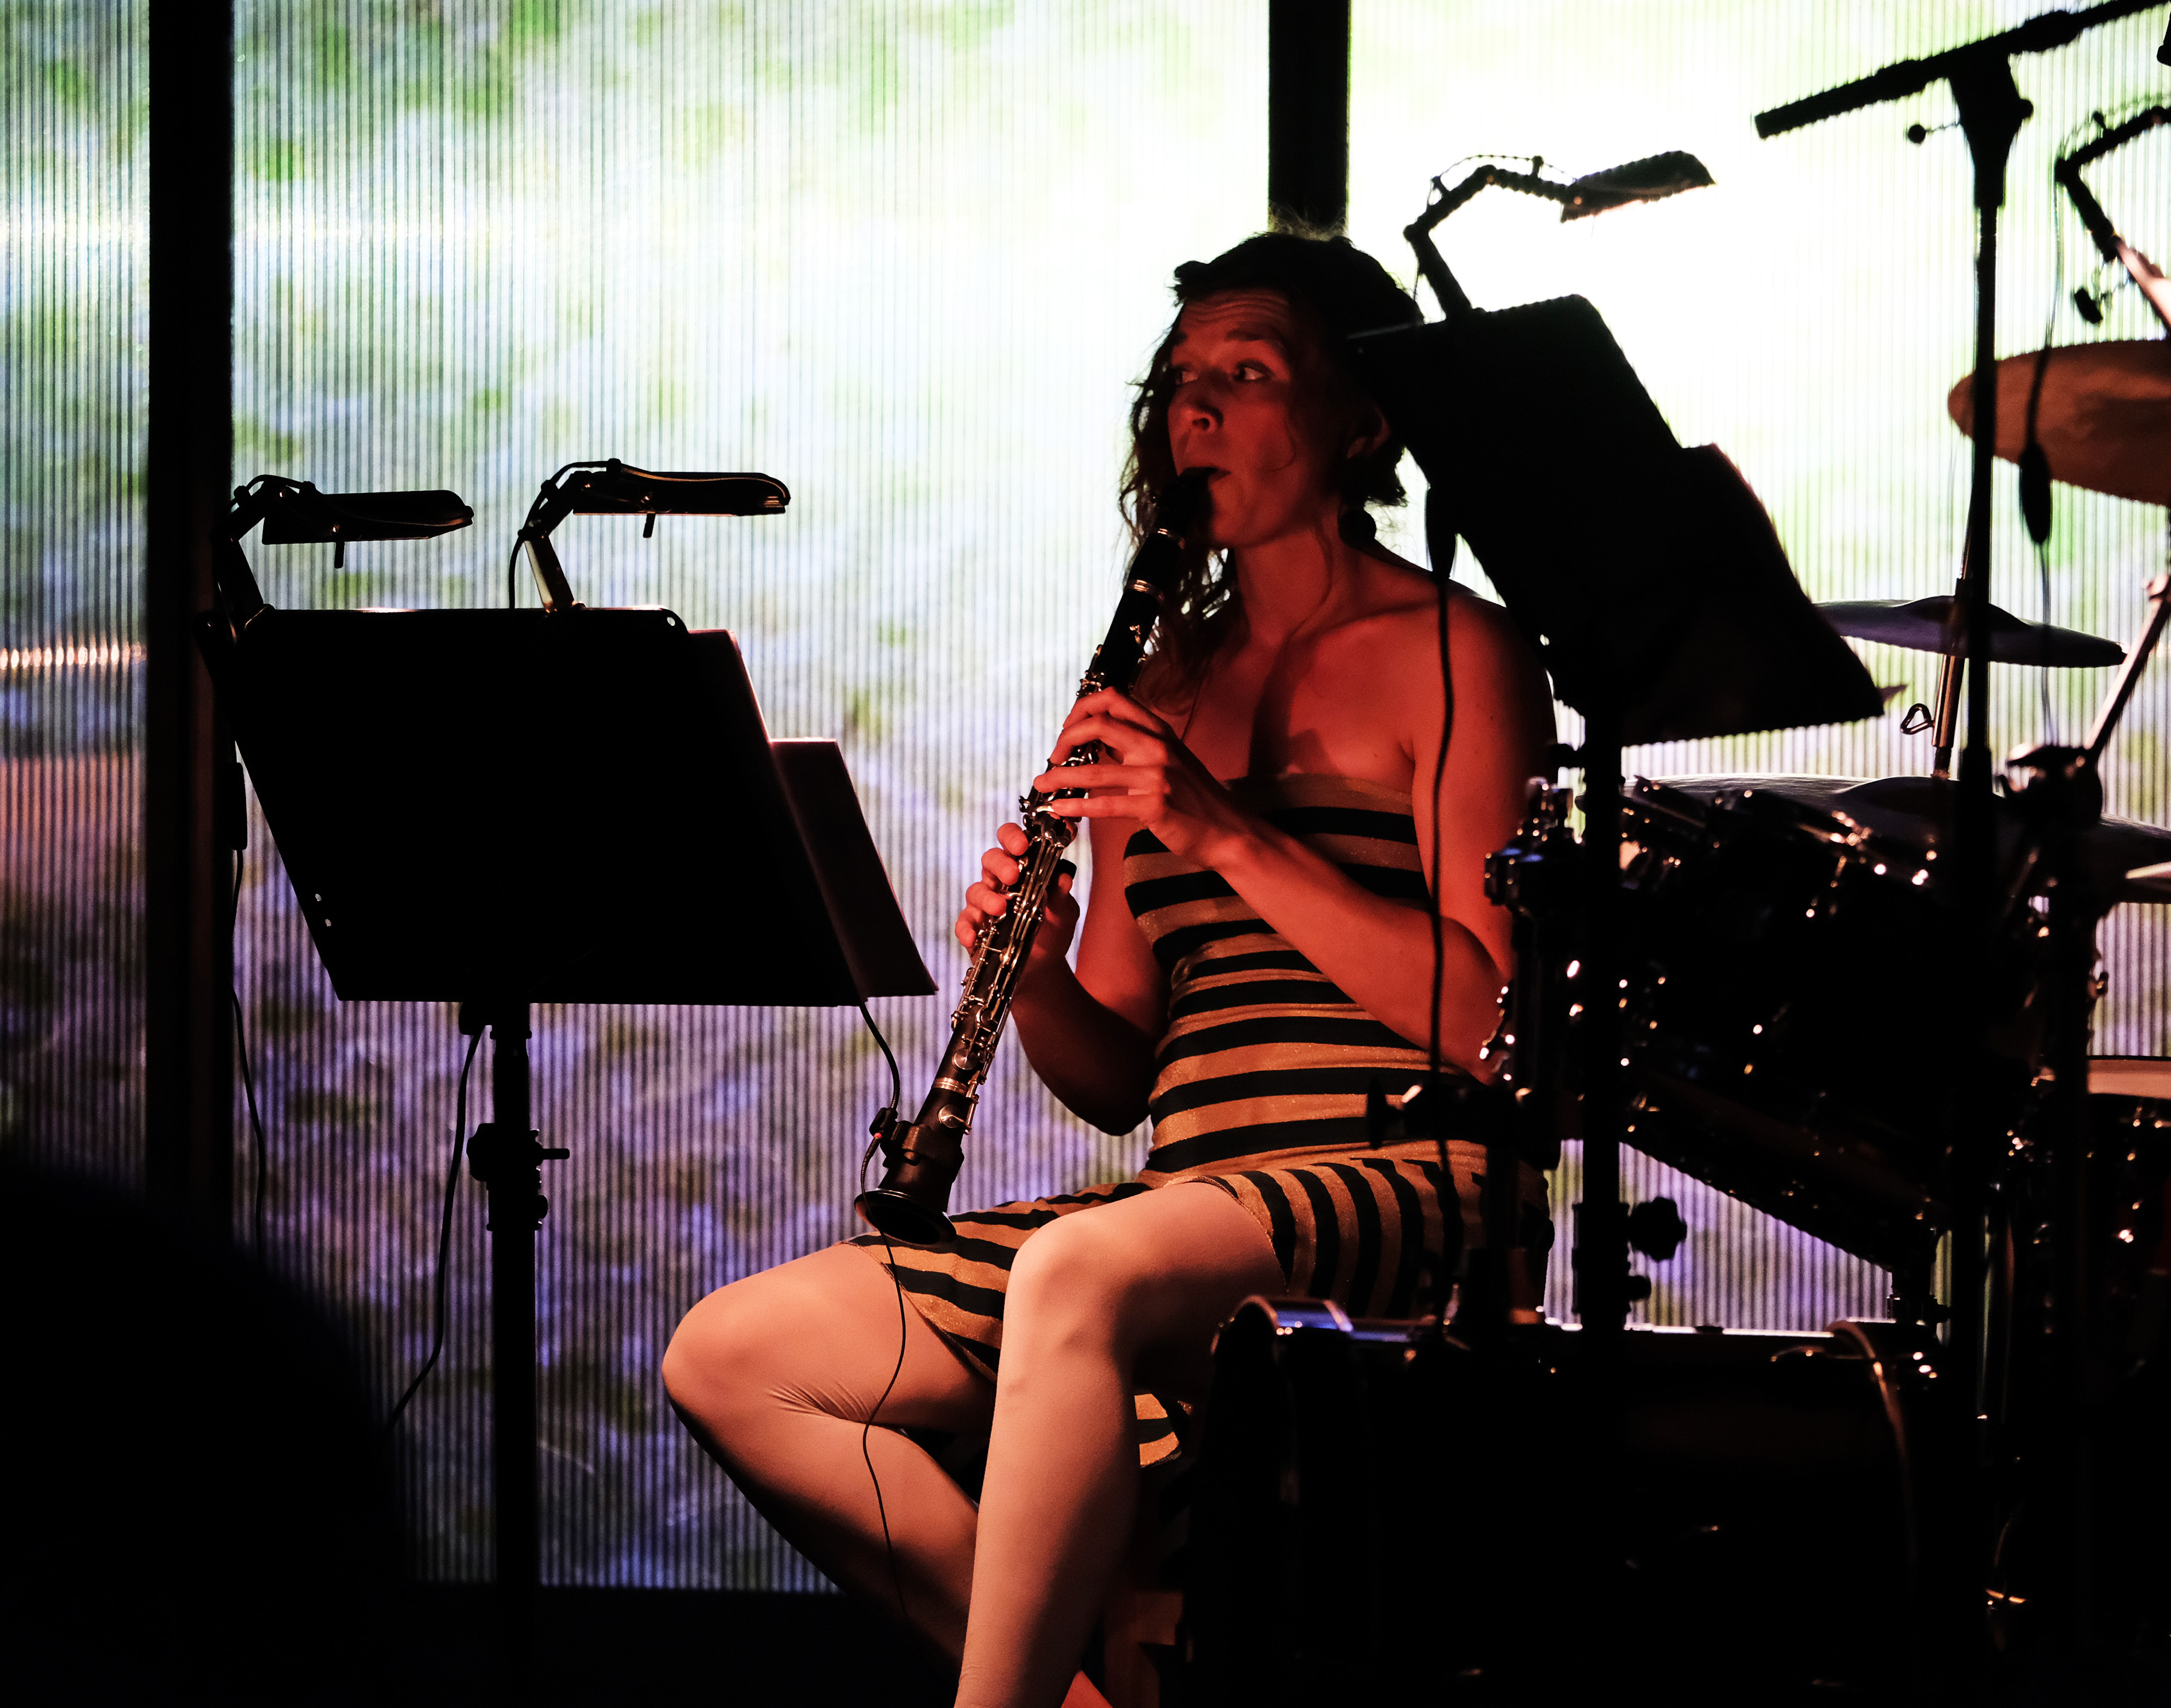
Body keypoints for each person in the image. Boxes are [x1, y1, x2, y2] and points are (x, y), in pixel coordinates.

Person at [663, 231, 1555, 1708]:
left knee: (1082, 1268)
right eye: (1181, 378)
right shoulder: (1158, 686)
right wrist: (1031, 982)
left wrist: (1225, 833)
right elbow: (1121, 1078)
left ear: (1361, 421)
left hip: (1418, 1185)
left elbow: (1492, 1021)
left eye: (1249, 372)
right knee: (735, 1355)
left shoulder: (1459, 650)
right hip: (1191, 1207)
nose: (1196, 407)